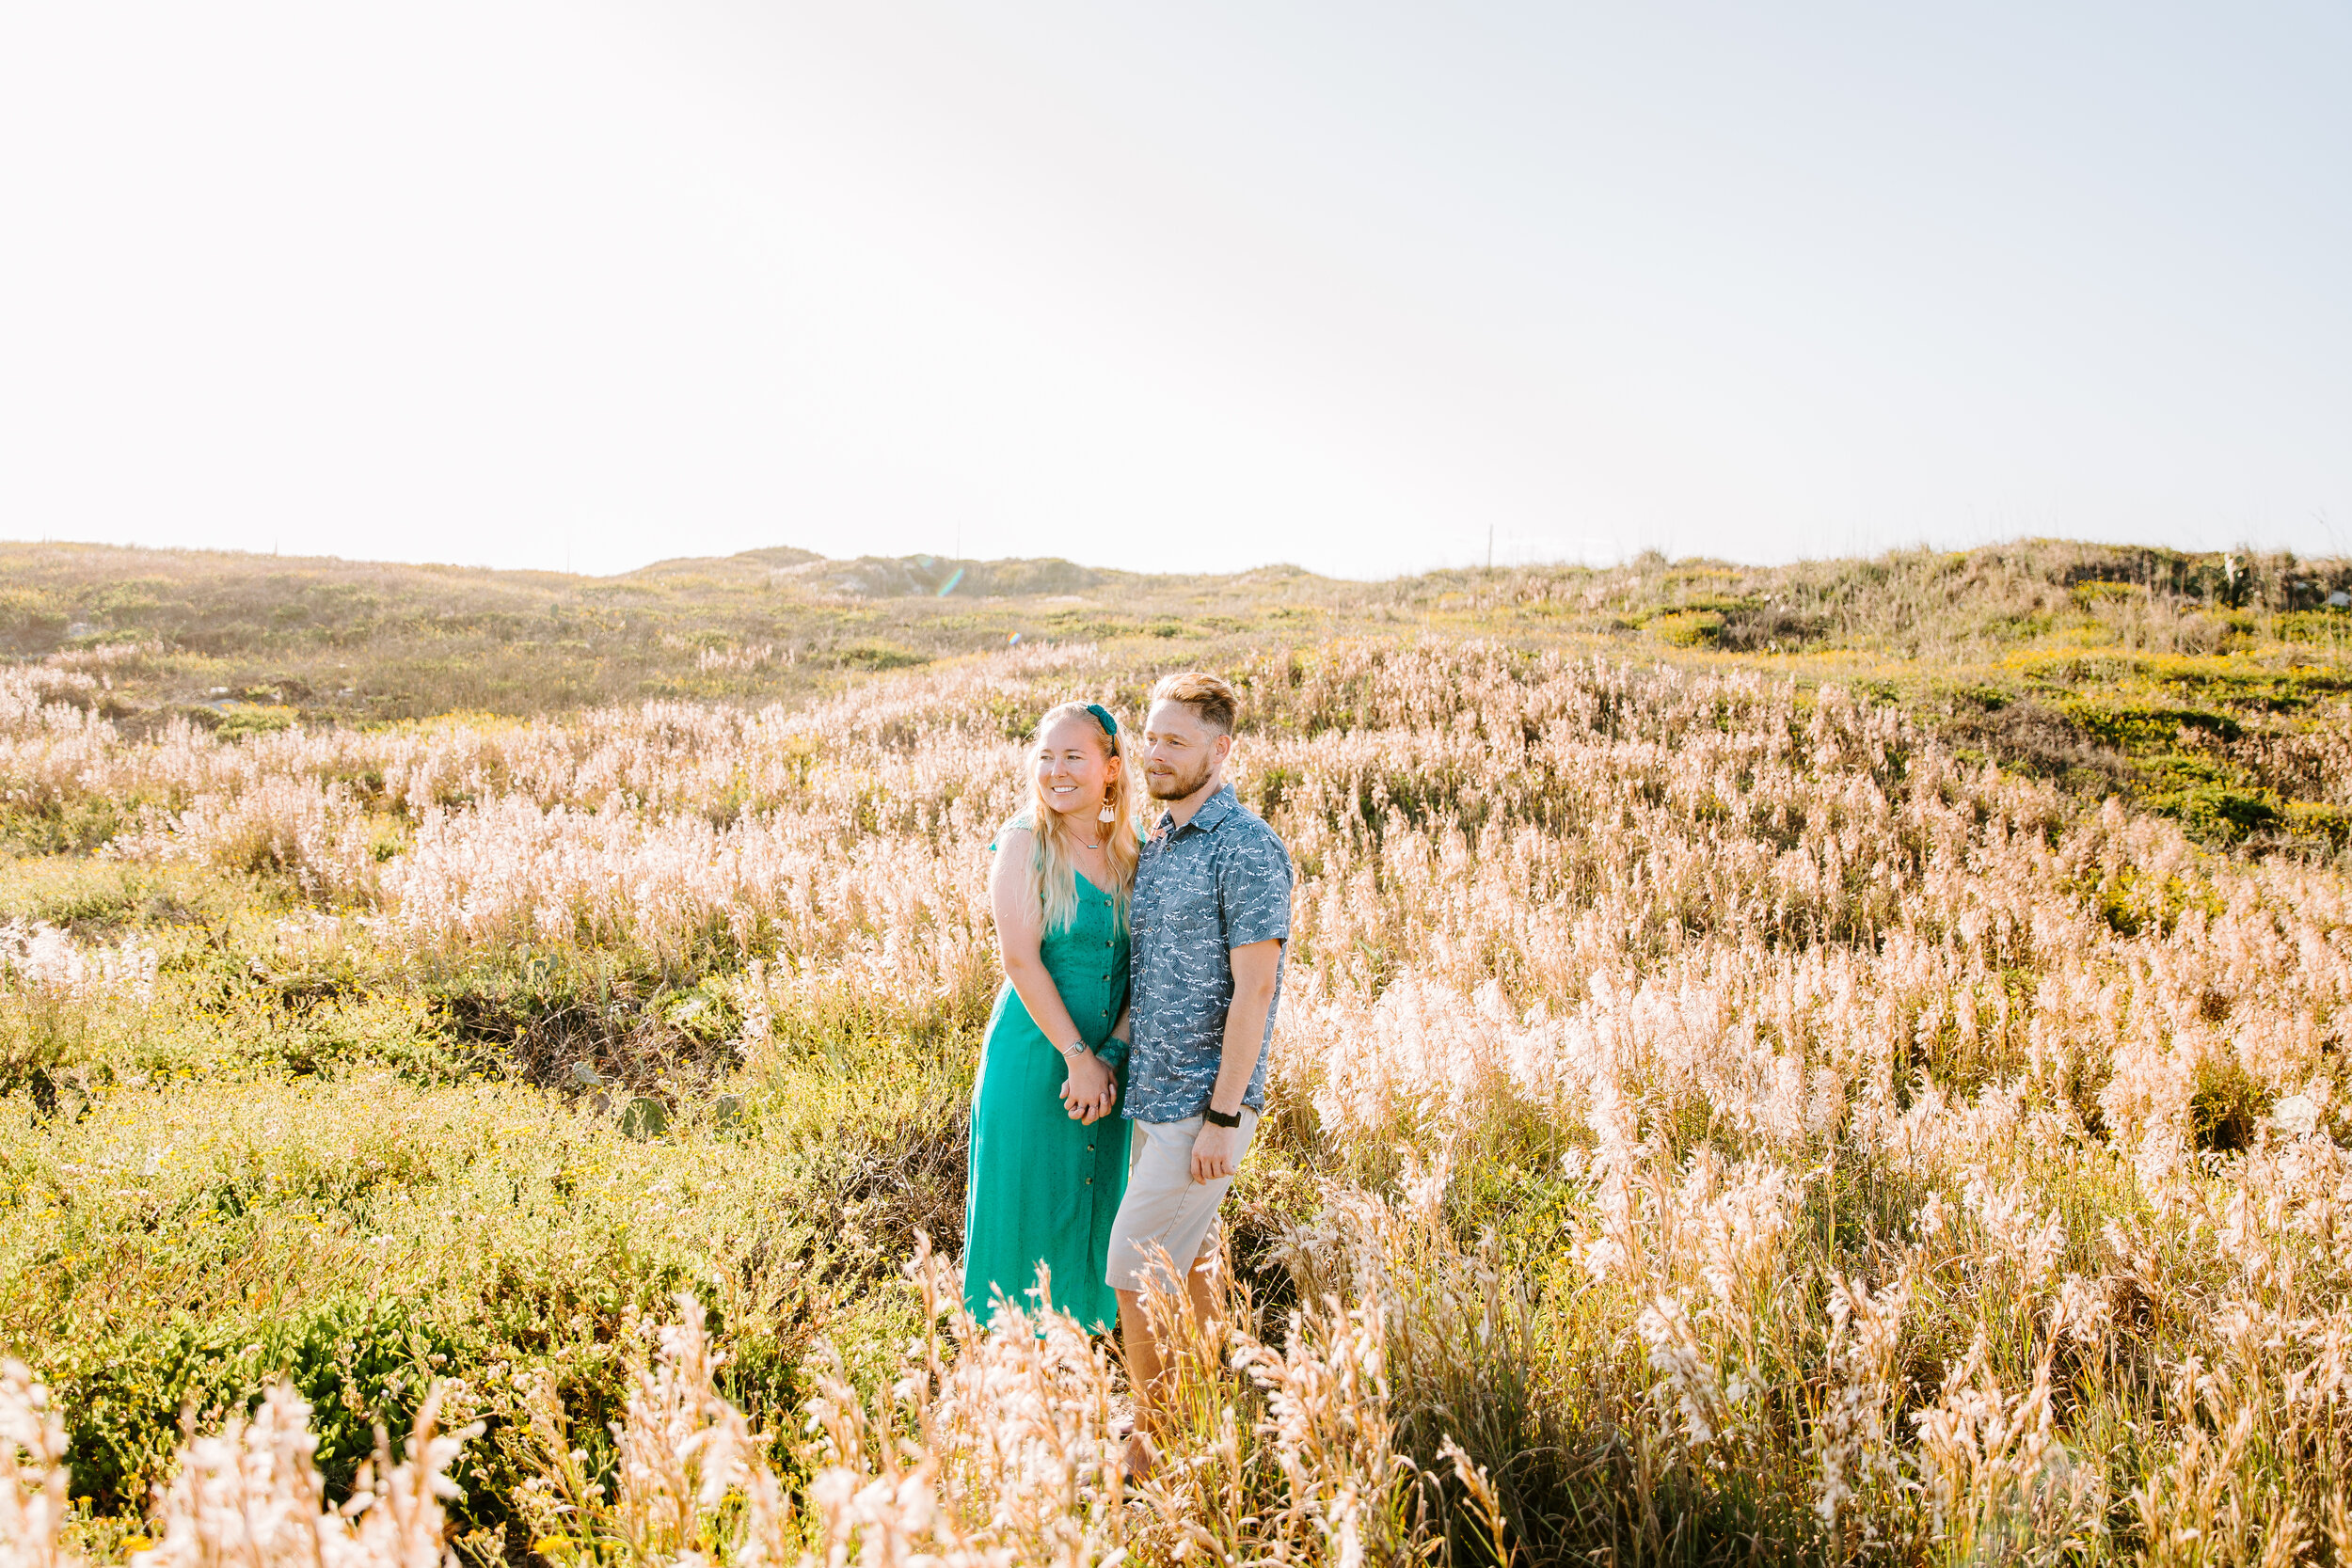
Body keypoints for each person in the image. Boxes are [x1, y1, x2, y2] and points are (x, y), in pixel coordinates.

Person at [1105, 671, 1294, 1478]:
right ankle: (1210, 1405)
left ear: (1222, 749)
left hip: (1201, 1105)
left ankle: (1153, 1439)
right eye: (1150, 735)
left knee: (1131, 1263)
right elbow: (1149, 972)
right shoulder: (1163, 838)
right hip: (1154, 1091)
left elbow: (1256, 987)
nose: (1155, 752)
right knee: (1192, 1261)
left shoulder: (1247, 846)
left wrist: (1223, 1117)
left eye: (1175, 740)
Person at [961, 701, 1139, 1333]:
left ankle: (1073, 1382)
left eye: (1073, 756)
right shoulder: (1024, 841)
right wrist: (1079, 1057)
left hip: (1107, 1072)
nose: (1055, 771)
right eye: (1045, 756)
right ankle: (1010, 1382)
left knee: (1090, 1211)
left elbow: (1141, 976)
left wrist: (1111, 1057)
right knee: (1025, 1215)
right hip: (1039, 1059)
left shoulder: (1132, 855)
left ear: (1112, 767)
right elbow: (1020, 960)